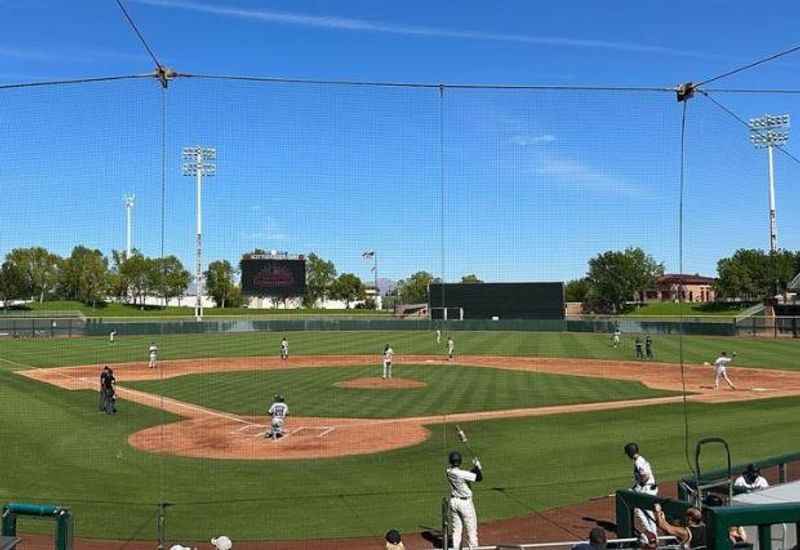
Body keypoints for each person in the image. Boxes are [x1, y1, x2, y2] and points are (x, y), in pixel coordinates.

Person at [446, 450, 483, 549]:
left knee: (456, 531)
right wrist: (478, 467)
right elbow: (479, 478)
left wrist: (475, 468)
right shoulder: (461, 474)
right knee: (471, 531)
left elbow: (466, 474)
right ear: (460, 461)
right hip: (465, 504)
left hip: (454, 502)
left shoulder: (448, 471)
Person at [625, 442, 658, 538]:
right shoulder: (640, 459)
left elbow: (646, 476)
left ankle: (651, 534)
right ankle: (652, 534)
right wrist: (636, 487)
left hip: (647, 489)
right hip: (648, 488)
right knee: (645, 511)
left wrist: (638, 486)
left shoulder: (638, 462)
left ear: (630, 453)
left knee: (641, 511)